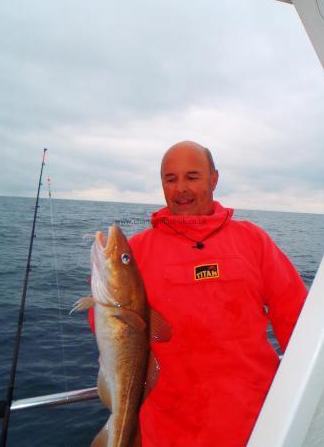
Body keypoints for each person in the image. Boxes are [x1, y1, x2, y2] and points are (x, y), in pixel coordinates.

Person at [89, 141, 307, 447]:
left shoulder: (253, 241)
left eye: (192, 177)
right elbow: (111, 333)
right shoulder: (137, 250)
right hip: (168, 430)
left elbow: (297, 321)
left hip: (259, 423)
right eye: (170, 179)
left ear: (214, 179)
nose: (181, 189)